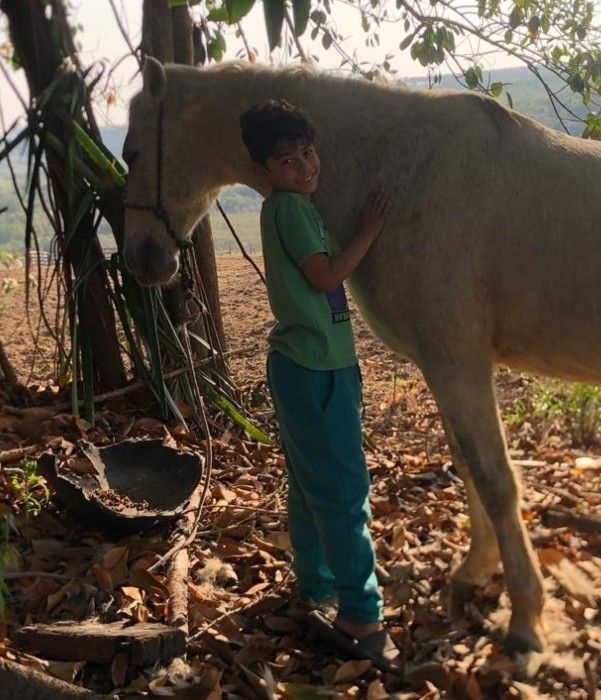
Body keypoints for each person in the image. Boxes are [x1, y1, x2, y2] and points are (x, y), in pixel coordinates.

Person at [239, 99, 397, 671]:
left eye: (307, 152)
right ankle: (361, 614)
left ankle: (315, 584)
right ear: (262, 171)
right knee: (342, 490)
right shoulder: (290, 209)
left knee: (310, 485)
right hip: (314, 369)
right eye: (286, 160)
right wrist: (370, 231)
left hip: (309, 365)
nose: (304, 166)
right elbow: (326, 275)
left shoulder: (289, 205)